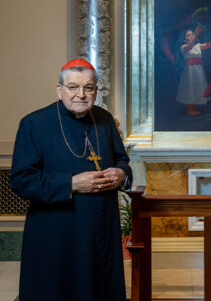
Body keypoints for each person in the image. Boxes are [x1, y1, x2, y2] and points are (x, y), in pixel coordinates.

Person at [10, 58, 132, 301]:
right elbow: (22, 180)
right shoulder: (33, 124)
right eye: (73, 87)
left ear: (96, 91)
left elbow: (122, 161)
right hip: (56, 233)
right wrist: (72, 184)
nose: (81, 95)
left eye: (88, 88)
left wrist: (121, 174)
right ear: (59, 89)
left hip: (100, 232)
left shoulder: (104, 119)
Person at [176, 27, 211, 116]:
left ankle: (194, 109)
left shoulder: (198, 46)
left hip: (199, 70)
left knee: (196, 88)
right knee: (190, 88)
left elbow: (208, 45)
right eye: (189, 35)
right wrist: (196, 34)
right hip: (190, 71)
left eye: (192, 34)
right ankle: (190, 109)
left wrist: (208, 32)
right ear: (184, 39)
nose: (191, 36)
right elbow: (190, 46)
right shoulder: (184, 47)